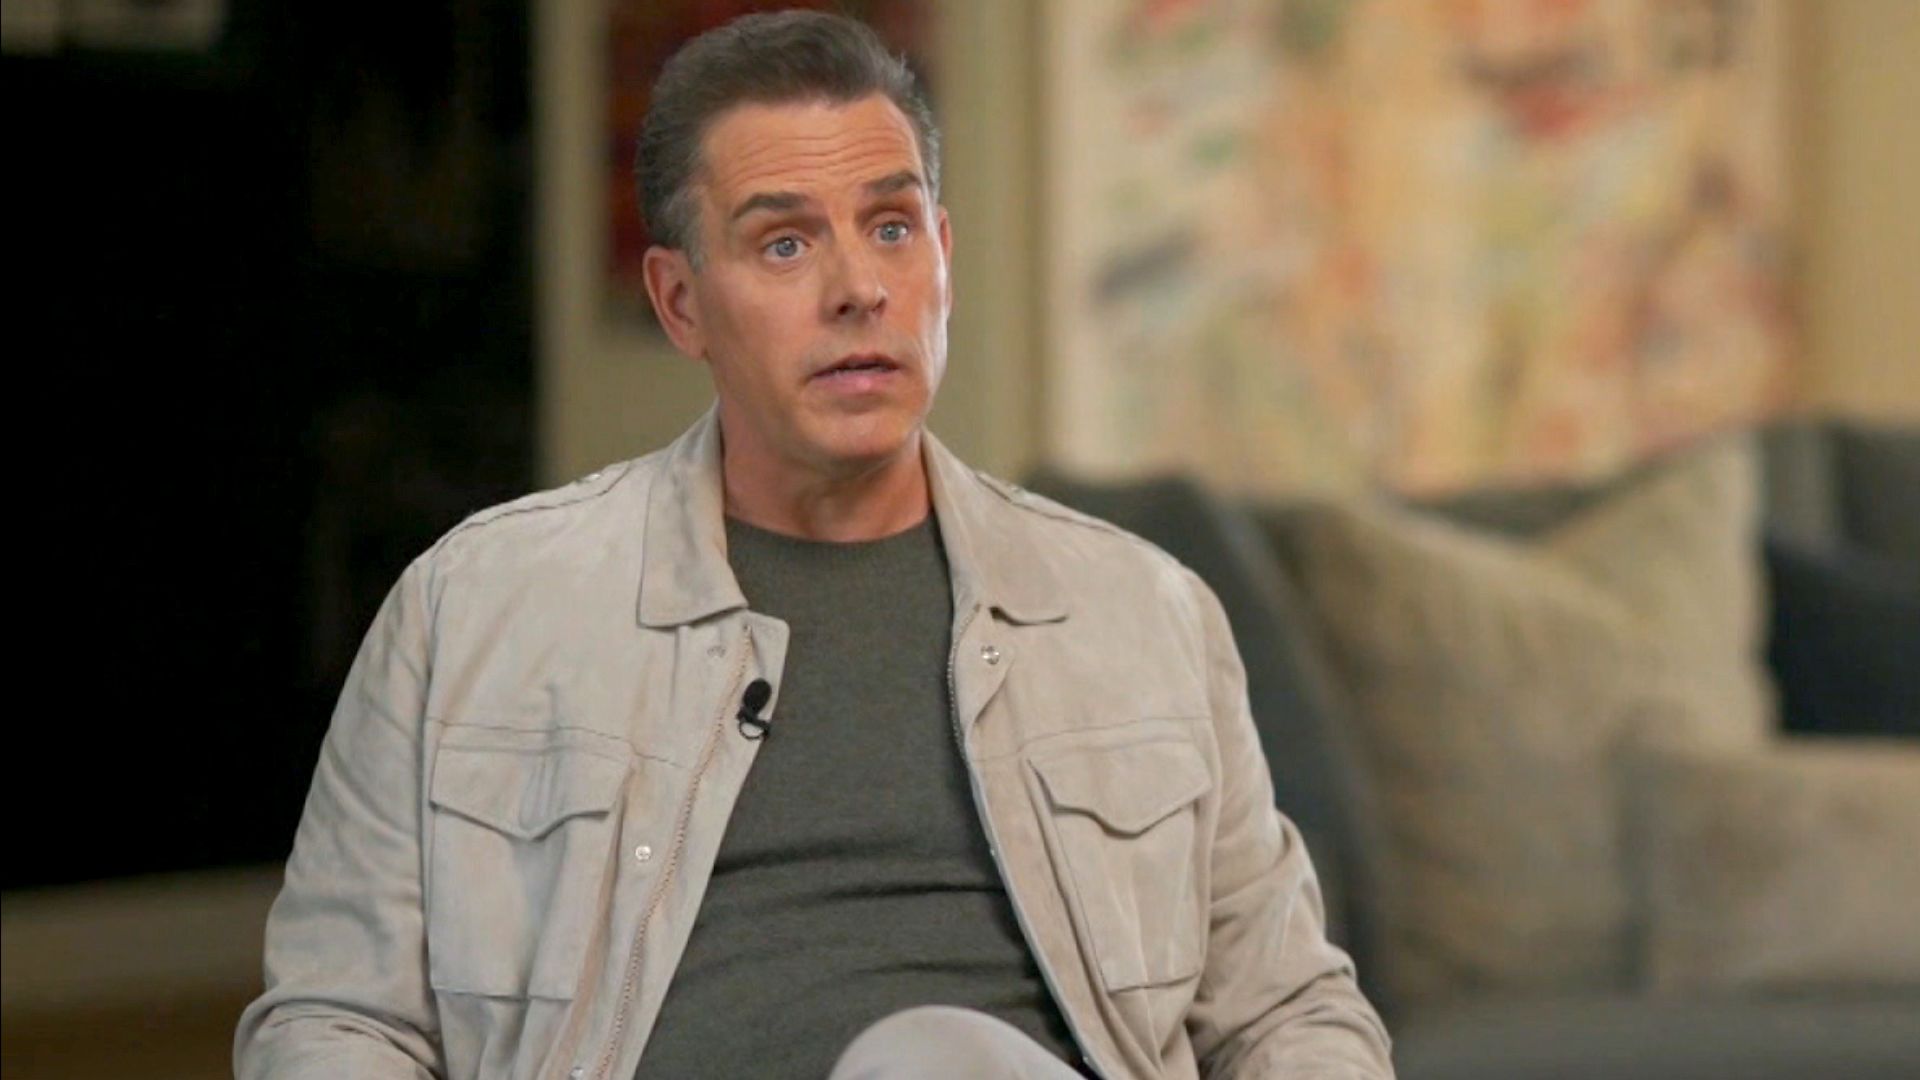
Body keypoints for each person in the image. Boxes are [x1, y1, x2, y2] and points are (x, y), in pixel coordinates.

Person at [235, 10, 1391, 1079]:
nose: (858, 289)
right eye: (784, 245)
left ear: (943, 255)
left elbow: (1289, 1011)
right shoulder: (470, 608)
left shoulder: (1143, 613)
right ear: (681, 303)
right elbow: (338, 1018)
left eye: (891, 228)